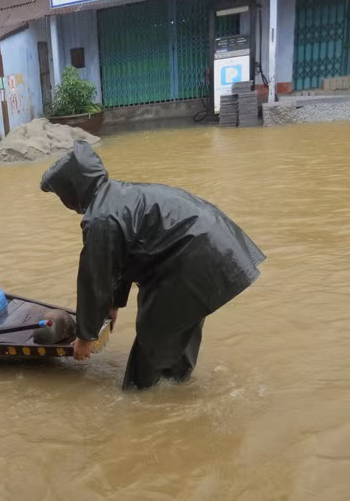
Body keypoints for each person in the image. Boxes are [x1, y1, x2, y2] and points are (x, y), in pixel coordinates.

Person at [40, 141, 265, 390]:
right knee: (179, 327)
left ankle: (140, 400)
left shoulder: (100, 219)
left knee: (152, 337)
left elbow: (95, 280)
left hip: (191, 256)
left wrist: (84, 337)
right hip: (214, 245)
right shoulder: (117, 194)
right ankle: (177, 391)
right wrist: (115, 304)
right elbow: (124, 258)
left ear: (73, 190)